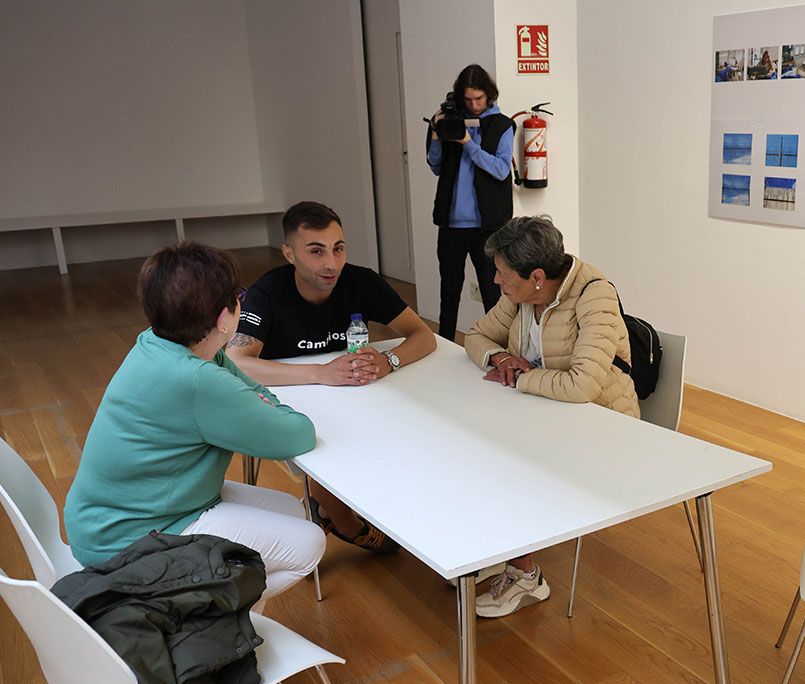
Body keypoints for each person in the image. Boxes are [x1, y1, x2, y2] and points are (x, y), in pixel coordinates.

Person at [64, 242, 325, 602]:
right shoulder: (197, 380)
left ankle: (210, 598)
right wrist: (260, 403)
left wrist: (254, 400)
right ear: (223, 319)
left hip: (123, 513)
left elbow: (250, 390)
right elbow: (298, 433)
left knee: (295, 512)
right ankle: (205, 618)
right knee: (310, 544)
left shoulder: (159, 342)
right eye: (239, 296)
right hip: (129, 541)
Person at [228, 201, 436, 552]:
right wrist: (321, 373)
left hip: (356, 395)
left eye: (338, 249)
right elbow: (236, 362)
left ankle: (370, 512)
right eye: (316, 251)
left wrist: (389, 361)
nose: (331, 263)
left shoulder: (362, 281)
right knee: (320, 441)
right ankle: (341, 517)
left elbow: (423, 336)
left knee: (412, 430)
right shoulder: (266, 293)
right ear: (289, 254)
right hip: (294, 397)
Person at [463, 216, 638, 618]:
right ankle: (503, 546)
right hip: (543, 412)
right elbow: (475, 336)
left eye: (504, 276)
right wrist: (502, 357)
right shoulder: (522, 293)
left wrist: (521, 379)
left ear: (537, 276)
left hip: (603, 423)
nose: (497, 283)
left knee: (511, 462)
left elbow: (582, 387)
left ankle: (526, 577)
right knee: (472, 444)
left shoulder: (595, 296)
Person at [427, 64, 513, 342]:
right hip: (451, 224)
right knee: (448, 291)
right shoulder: (451, 121)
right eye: (468, 100)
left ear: (489, 95)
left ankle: (496, 348)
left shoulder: (502, 125)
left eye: (479, 99)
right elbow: (436, 166)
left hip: (487, 228)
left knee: (493, 292)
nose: (474, 105)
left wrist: (468, 143)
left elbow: (501, 169)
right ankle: (444, 345)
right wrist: (437, 135)